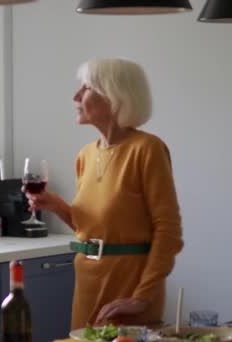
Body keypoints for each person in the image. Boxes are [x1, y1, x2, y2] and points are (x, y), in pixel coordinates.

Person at [26, 58, 183, 329]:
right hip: (87, 282)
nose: (75, 96)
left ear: (113, 97)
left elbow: (168, 231)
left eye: (86, 88)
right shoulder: (85, 155)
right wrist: (57, 206)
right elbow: (93, 229)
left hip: (129, 285)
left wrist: (143, 297)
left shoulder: (147, 149)